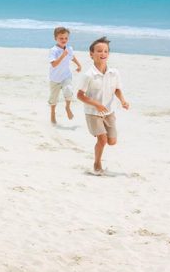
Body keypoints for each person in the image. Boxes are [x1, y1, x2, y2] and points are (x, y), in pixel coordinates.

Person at [76, 36, 130, 175]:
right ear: (91, 54)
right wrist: (96, 104)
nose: (103, 54)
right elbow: (80, 95)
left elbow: (117, 89)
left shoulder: (114, 73)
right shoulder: (88, 75)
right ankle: (97, 163)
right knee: (103, 139)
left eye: (105, 51)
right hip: (93, 113)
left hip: (109, 112)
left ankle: (101, 136)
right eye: (99, 51)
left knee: (112, 142)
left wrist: (123, 101)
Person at [48, 26, 82, 124]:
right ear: (56, 38)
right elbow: (54, 64)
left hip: (66, 76)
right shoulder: (53, 50)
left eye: (66, 38)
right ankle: (53, 113)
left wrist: (79, 64)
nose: (64, 40)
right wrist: (62, 55)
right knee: (53, 99)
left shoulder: (69, 48)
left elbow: (72, 57)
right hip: (54, 79)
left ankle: (67, 107)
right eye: (61, 38)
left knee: (68, 90)